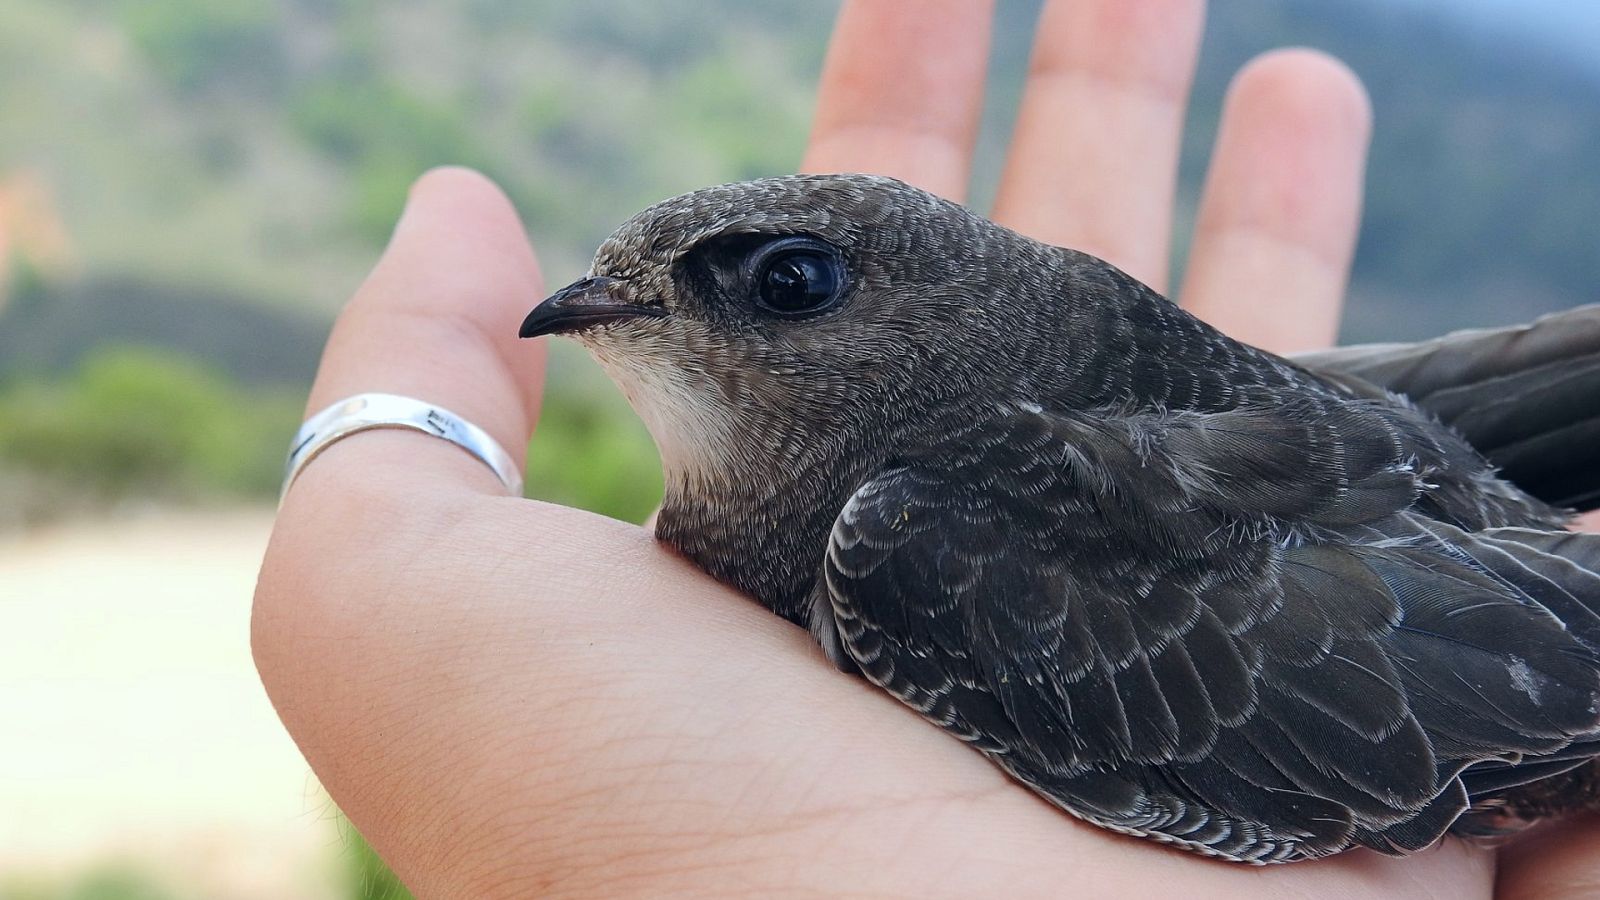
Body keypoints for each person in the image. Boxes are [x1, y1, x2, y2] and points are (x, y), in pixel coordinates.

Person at [252, 2, 1596, 895]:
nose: (603, 312)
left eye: (780, 286)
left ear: (929, 319)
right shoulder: (973, 432)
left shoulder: (915, 543)